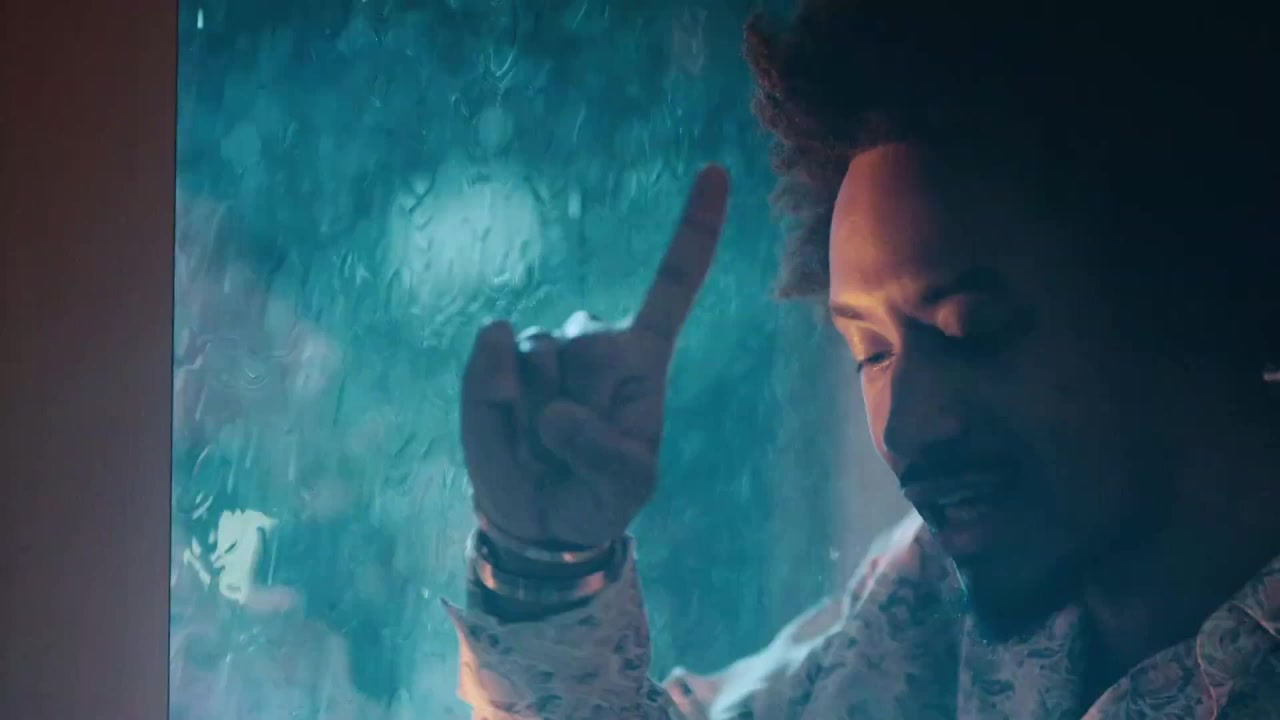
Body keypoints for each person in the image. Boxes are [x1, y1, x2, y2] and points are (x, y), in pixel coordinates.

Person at [449, 2, 1280, 717]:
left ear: (1183, 284)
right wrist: (545, 568)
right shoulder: (926, 601)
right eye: (871, 353)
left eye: (972, 332)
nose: (906, 426)